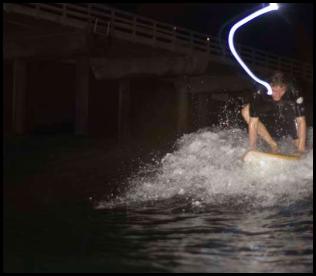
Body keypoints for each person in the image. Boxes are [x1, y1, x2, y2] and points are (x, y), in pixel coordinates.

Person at [241, 71, 306, 154]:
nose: (278, 95)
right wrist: (252, 150)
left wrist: (301, 150)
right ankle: (273, 144)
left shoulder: (294, 89)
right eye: (274, 90)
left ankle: (298, 147)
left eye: (282, 90)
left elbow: (301, 121)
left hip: (288, 105)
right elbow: (253, 123)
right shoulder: (259, 89)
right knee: (245, 111)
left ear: (286, 86)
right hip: (267, 103)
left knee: (298, 144)